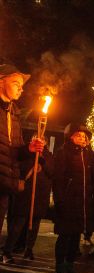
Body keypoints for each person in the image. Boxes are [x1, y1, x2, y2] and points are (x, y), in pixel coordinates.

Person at [0, 64, 44, 237]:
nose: (21, 89)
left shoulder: (13, 114)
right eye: (16, 83)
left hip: (4, 184)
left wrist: (29, 149)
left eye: (22, 86)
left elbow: (13, 151)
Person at [52, 123, 93, 273]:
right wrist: (60, 201)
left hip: (81, 204)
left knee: (75, 238)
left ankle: (70, 268)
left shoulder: (86, 154)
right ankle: (60, 269)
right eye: (79, 135)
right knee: (65, 237)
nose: (83, 138)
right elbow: (58, 179)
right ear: (71, 137)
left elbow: (93, 176)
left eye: (84, 136)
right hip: (67, 202)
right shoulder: (63, 152)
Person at [2, 136, 53, 263]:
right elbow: (18, 168)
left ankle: (29, 249)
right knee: (17, 225)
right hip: (25, 196)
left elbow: (52, 172)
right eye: (36, 139)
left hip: (40, 196)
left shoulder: (49, 155)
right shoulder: (26, 153)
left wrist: (42, 160)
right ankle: (7, 251)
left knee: (34, 225)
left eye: (42, 140)